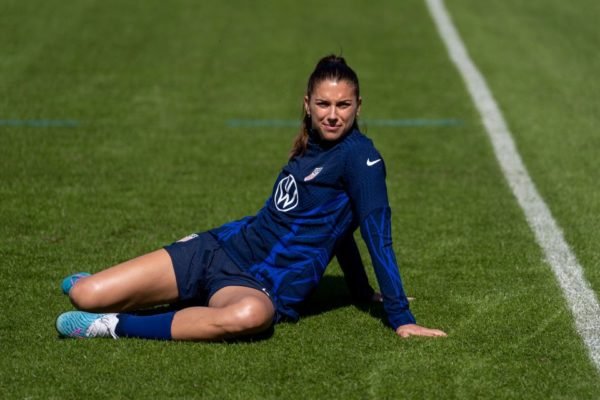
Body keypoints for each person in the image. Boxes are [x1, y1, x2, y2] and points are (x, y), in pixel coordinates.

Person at [56, 55, 447, 341]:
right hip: (219, 248)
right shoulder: (308, 145)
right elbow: (336, 228)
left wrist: (400, 315)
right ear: (307, 104)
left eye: (343, 105)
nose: (332, 115)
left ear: (358, 107)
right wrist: (359, 291)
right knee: (84, 294)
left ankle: (112, 325)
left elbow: (375, 235)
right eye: (323, 104)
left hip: (258, 286)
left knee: (249, 316)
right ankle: (104, 289)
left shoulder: (362, 159)